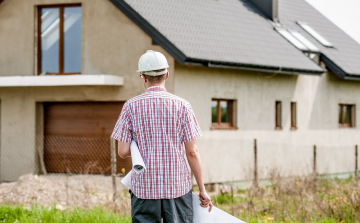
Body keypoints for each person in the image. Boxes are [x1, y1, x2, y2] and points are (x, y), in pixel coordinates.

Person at [111, 50, 212, 223]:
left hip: (144, 189)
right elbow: (192, 152)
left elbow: (122, 151)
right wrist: (202, 189)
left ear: (143, 77)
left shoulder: (130, 107)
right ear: (167, 75)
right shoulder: (183, 106)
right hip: (177, 188)